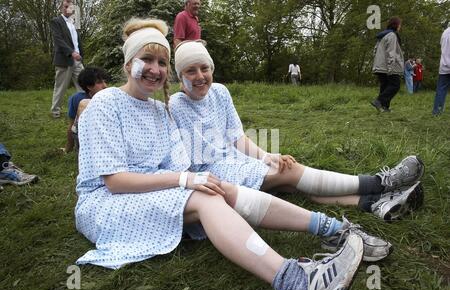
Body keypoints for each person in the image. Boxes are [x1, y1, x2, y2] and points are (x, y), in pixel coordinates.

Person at [75, 17, 367, 290]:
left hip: (152, 189)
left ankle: (334, 229)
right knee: (207, 198)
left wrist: (203, 179)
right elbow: (114, 181)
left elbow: (179, 164)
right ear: (128, 65)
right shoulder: (105, 103)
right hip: (105, 202)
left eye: (162, 63)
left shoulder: (159, 109)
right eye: (147, 60)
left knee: (216, 189)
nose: (155, 69)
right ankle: (298, 283)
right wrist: (187, 179)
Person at [171, 40, 425, 225]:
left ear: (212, 69)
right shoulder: (176, 105)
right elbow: (196, 159)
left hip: (236, 159)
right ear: (180, 76)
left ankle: (375, 204)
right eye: (190, 71)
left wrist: (265, 156)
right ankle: (381, 183)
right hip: (214, 173)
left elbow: (238, 136)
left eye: (204, 68)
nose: (200, 76)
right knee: (288, 172)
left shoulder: (220, 92)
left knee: (293, 183)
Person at [50, 0, 84, 118]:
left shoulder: (74, 22)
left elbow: (77, 41)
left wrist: (80, 54)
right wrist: (71, 53)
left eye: (70, 7)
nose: (68, 9)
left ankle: (84, 107)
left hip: (78, 60)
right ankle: (55, 111)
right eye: (65, 6)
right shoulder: (56, 21)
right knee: (60, 87)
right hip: (65, 60)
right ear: (61, 8)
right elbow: (58, 40)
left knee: (83, 84)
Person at [61, 67, 108, 153]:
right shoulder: (76, 99)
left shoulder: (109, 97)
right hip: (84, 135)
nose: (105, 86)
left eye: (104, 81)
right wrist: (68, 148)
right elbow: (72, 126)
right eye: (99, 82)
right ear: (89, 86)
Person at [371, 17, 404, 112]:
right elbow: (391, 52)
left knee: (385, 85)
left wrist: (377, 63)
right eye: (399, 25)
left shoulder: (382, 36)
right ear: (396, 25)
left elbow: (375, 51)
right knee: (395, 85)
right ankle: (379, 101)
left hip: (379, 65)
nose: (400, 27)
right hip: (387, 66)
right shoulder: (392, 35)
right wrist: (391, 68)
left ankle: (385, 107)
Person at [432, 22, 450, 116]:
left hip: (444, 65)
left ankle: (437, 111)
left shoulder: (445, 33)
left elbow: (442, 47)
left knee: (441, 89)